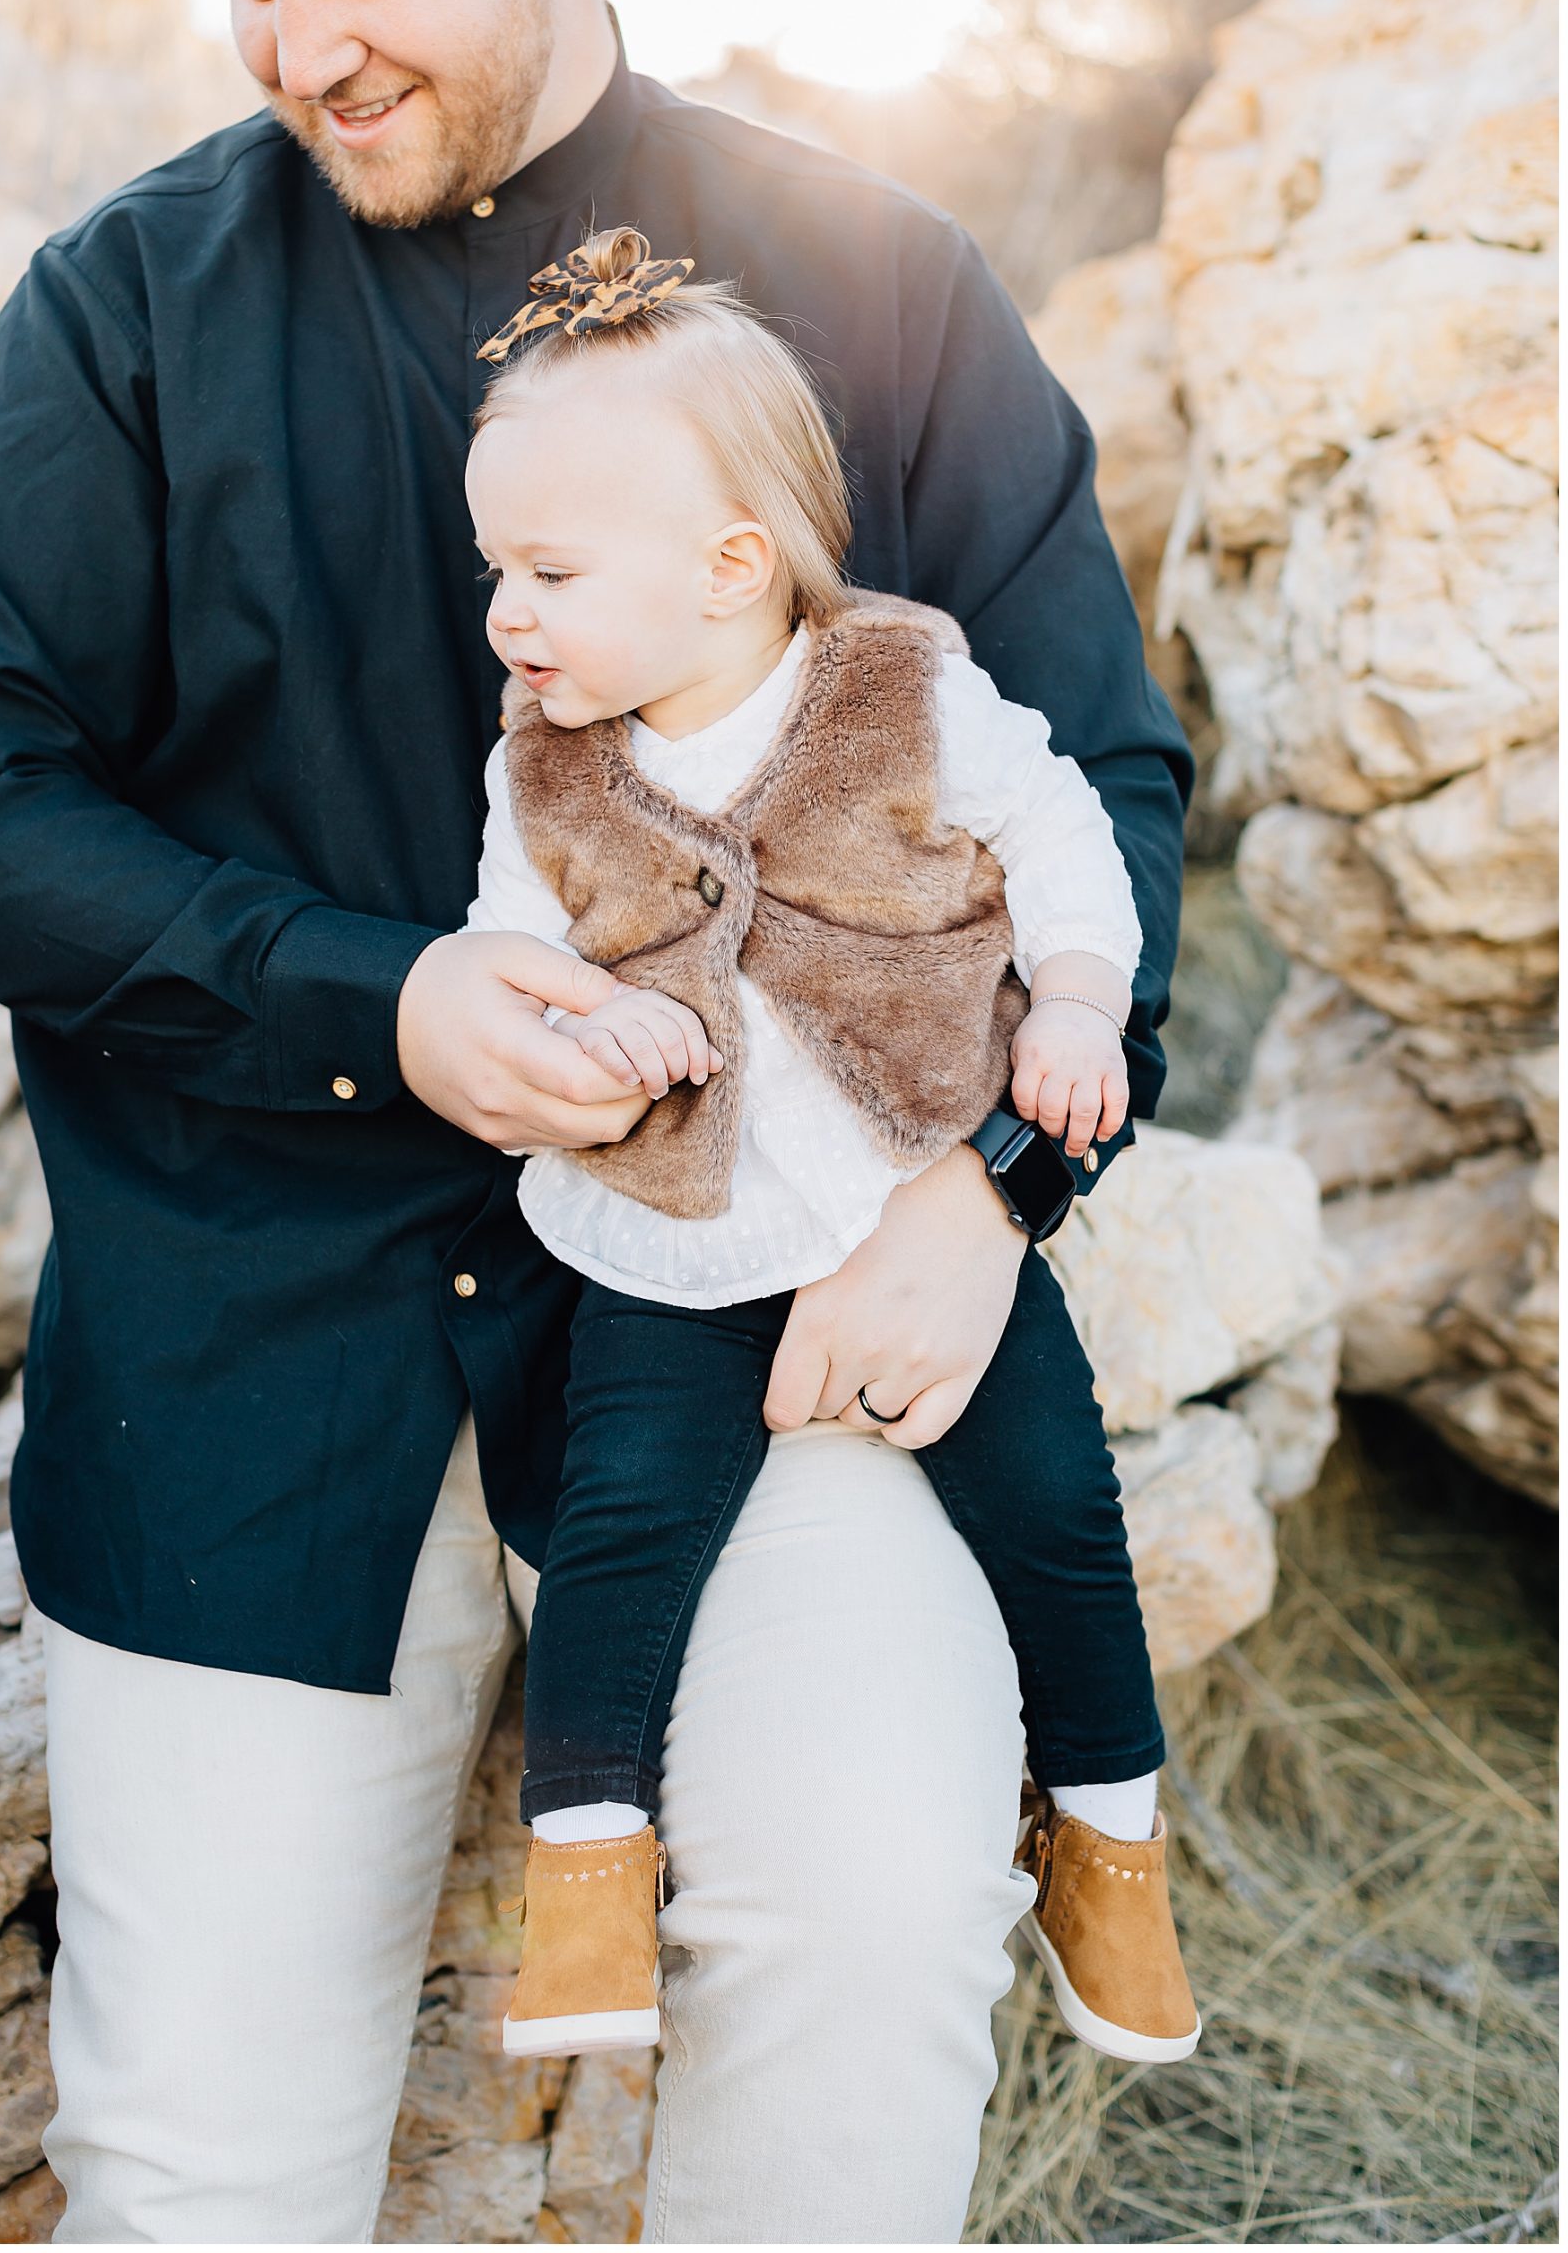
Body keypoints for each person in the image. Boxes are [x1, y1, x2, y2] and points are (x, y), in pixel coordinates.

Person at [0, 0, 1192, 2242]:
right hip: (252, 1367)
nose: (298, 44)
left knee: (875, 1924)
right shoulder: (126, 307)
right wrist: (372, 997)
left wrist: (993, 1194)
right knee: (193, 2166)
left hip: (775, 1311)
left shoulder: (881, 279)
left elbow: (1099, 787)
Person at [459, 228, 1198, 2070]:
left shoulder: (897, 686)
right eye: (496, 572)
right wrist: (566, 1007)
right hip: (674, 1214)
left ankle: (1108, 1839)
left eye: (547, 573)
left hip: (904, 1179)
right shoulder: (540, 764)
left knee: (1052, 1501)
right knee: (625, 1521)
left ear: (728, 571)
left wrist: (1083, 1002)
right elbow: (505, 938)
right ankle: (589, 1882)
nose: (507, 618)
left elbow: (1058, 830)